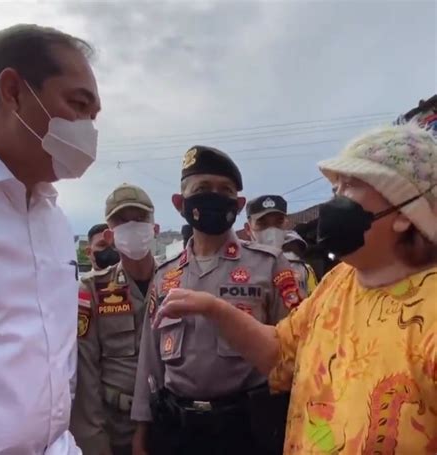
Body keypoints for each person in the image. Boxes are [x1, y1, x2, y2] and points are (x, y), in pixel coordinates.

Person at [155, 123, 437, 454]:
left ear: (405, 213)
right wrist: (214, 309)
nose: (334, 203)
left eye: (351, 187)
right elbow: (280, 354)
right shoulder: (339, 281)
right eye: (336, 189)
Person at [0, 24, 100, 454]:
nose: (88, 131)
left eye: (93, 117)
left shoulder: (54, 220)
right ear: (13, 91)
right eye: (78, 105)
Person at [131, 146, 302, 455]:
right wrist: (142, 431)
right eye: (202, 189)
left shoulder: (269, 265)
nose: (214, 196)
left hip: (246, 431)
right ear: (180, 203)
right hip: (177, 432)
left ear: (237, 205)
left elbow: (297, 352)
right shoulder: (165, 276)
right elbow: (150, 360)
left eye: (225, 190)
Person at [70, 184, 157, 455]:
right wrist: (94, 444)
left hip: (171, 423)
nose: (132, 225)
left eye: (140, 218)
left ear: (154, 228)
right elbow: (86, 377)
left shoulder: (176, 281)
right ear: (110, 234)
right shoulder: (93, 290)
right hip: (117, 426)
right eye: (122, 220)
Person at [282, 230, 318, 298]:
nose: (293, 249)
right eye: (289, 247)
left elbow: (314, 293)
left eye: (295, 246)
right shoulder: (306, 268)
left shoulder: (306, 268)